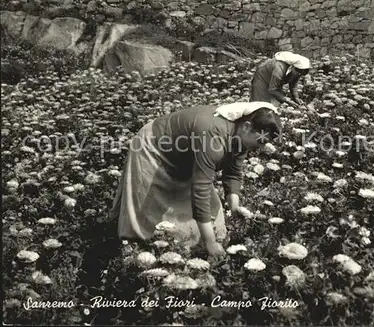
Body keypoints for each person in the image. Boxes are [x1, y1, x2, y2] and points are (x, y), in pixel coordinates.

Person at [109, 102, 282, 257]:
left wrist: (234, 207)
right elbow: (201, 189)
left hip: (183, 156)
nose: (260, 148)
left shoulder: (242, 137)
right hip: (153, 147)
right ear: (246, 126)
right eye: (260, 142)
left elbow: (233, 173)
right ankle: (133, 252)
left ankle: (185, 244)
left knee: (210, 222)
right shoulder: (213, 136)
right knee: (146, 212)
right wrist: (210, 243)